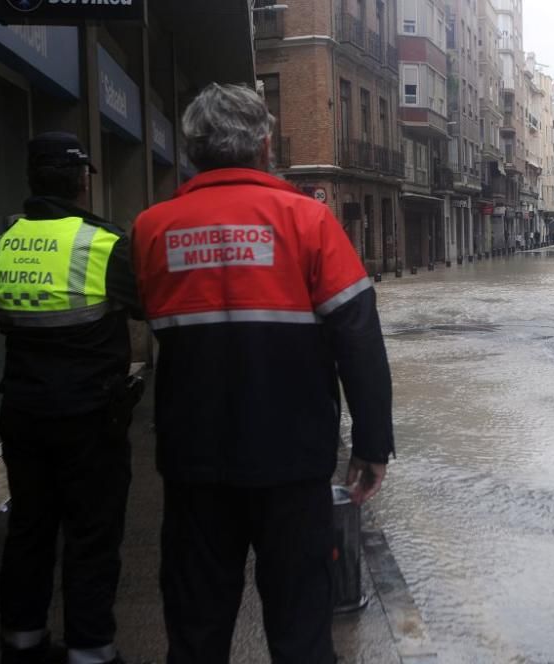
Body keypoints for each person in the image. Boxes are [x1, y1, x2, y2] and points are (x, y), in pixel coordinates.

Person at [132, 83, 395, 664]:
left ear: (193, 148)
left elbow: (142, 311)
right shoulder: (309, 221)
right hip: (292, 463)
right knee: (301, 628)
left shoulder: (150, 229)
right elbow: (358, 335)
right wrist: (372, 444)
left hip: (193, 462)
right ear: (265, 146)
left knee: (196, 629)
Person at [0, 132, 142, 664]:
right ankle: (91, 651)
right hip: (88, 417)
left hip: (22, 413)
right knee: (92, 534)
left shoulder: (8, 237)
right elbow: (144, 304)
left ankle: (22, 644)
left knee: (29, 527)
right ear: (81, 180)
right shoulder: (101, 242)